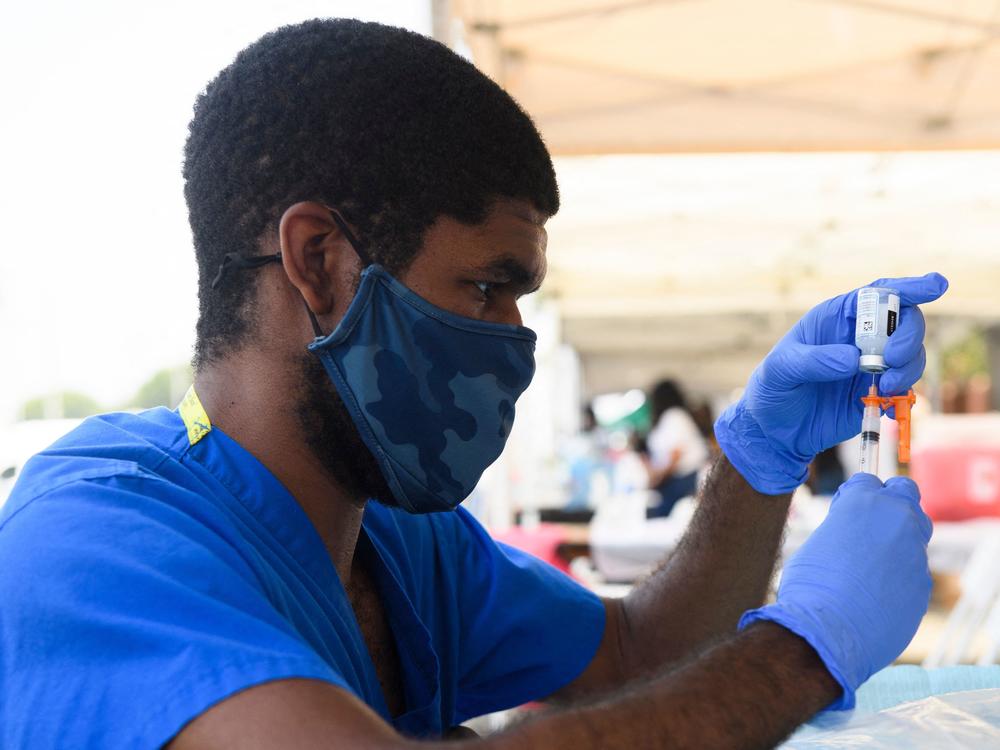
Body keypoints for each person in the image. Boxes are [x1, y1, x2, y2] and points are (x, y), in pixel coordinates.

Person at [0, 19, 948, 749]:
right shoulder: (93, 541)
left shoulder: (405, 543)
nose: (514, 341)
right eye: (487, 287)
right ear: (320, 261)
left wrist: (757, 456)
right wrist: (803, 654)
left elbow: (635, 658)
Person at [643, 380, 710, 518]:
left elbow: (675, 454)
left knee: (657, 514)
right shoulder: (670, 418)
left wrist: (658, 478)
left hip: (686, 477)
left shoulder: (675, 415)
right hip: (677, 478)